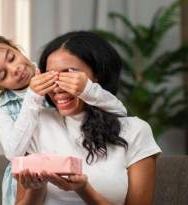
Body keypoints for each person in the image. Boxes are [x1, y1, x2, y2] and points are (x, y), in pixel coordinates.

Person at [0, 34, 127, 204]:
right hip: (31, 180)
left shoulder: (52, 66)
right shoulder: (1, 103)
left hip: (76, 157)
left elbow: (119, 113)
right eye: (3, 76)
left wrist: (88, 90)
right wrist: (33, 97)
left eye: (11, 58)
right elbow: (13, 153)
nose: (14, 69)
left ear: (15, 47)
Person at [9, 31, 162, 205]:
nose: (57, 88)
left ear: (97, 75)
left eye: (68, 75)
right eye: (50, 76)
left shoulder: (135, 130)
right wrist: (37, 188)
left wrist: (84, 190)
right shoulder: (38, 123)